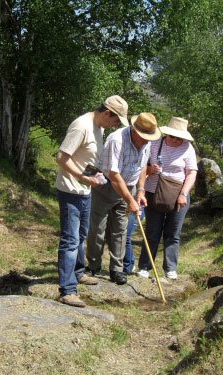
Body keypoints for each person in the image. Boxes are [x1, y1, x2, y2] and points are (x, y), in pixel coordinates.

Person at [55, 95, 129, 308]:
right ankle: (67, 290)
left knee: (80, 235)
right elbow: (61, 157)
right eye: (116, 121)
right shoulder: (81, 126)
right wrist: (83, 177)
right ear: (107, 113)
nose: (116, 125)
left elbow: (84, 157)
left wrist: (93, 176)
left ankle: (78, 273)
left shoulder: (100, 127)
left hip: (84, 190)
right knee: (70, 240)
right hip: (70, 190)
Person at [86, 112, 161, 285]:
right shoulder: (117, 139)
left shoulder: (146, 143)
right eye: (143, 137)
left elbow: (142, 167)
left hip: (128, 187)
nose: (146, 141)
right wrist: (131, 200)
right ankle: (93, 266)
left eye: (148, 138)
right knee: (98, 228)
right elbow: (114, 174)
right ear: (134, 131)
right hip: (106, 185)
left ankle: (117, 269)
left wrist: (140, 191)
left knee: (120, 229)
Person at [136, 117, 197, 280]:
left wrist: (184, 194)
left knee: (172, 233)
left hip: (178, 195)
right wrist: (151, 169)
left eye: (178, 138)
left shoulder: (188, 148)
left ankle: (170, 268)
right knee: (152, 231)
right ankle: (145, 267)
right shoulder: (154, 143)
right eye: (171, 136)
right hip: (153, 191)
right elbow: (142, 167)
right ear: (166, 134)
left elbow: (191, 173)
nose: (174, 140)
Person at [123, 207, 145, 274]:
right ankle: (130, 262)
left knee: (126, 236)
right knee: (122, 236)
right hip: (125, 207)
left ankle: (128, 266)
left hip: (136, 208)